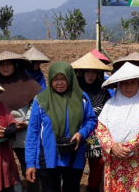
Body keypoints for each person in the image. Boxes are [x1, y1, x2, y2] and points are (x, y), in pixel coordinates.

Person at [25, 61, 97, 192]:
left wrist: (82, 133)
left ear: (70, 78)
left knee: (72, 188)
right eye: (55, 79)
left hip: (74, 154)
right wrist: (30, 163)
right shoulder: (41, 100)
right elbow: (33, 133)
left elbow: (91, 119)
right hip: (48, 157)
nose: (59, 83)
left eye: (63, 78)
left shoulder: (81, 97)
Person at [0, 51, 42, 192]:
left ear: (14, 65)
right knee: (3, 162)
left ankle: (33, 189)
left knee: (27, 162)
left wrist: (26, 122)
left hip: (24, 129)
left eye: (8, 64)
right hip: (1, 131)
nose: (5, 67)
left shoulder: (28, 83)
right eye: (2, 65)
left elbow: (35, 105)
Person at [96, 62, 139, 192]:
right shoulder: (111, 104)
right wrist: (112, 147)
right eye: (125, 83)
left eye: (133, 83)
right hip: (115, 160)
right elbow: (101, 129)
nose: (128, 87)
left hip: (138, 160)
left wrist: (126, 148)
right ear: (119, 84)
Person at [71, 53, 113, 192]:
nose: (90, 75)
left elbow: (108, 112)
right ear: (81, 73)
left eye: (94, 72)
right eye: (87, 72)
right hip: (76, 135)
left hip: (96, 137)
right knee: (75, 172)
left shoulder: (103, 91)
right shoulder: (73, 91)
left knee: (96, 173)